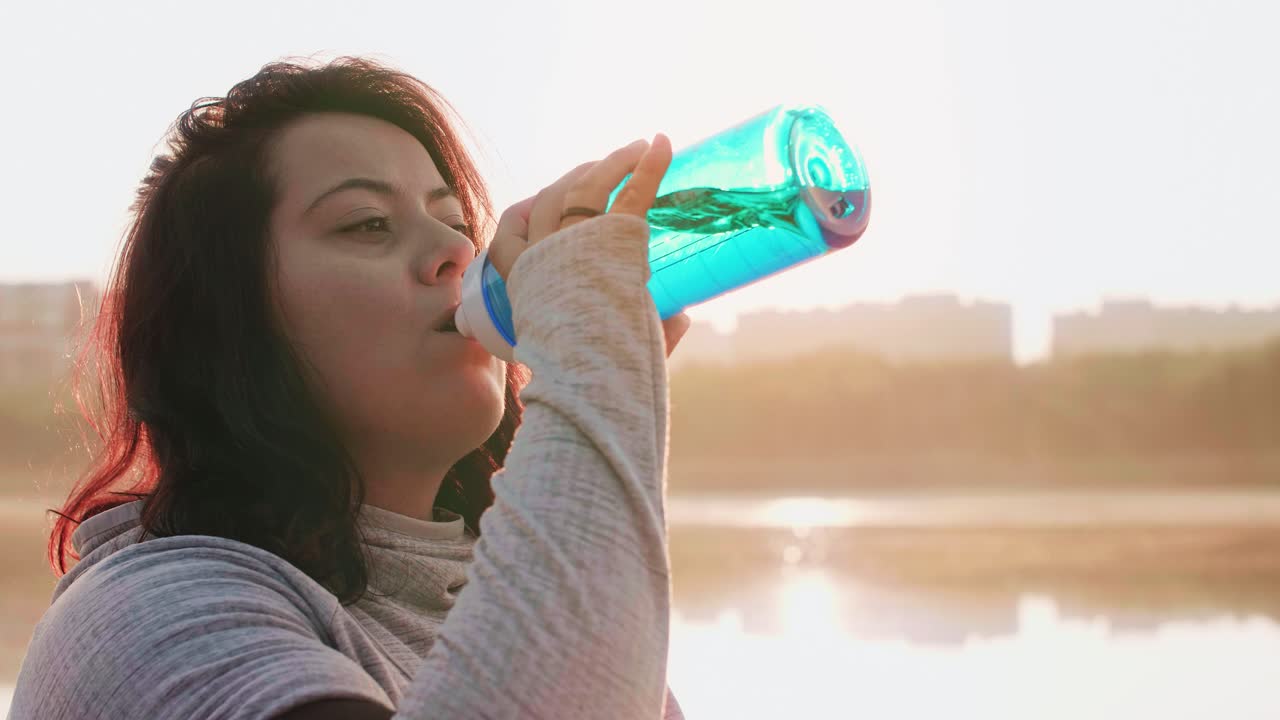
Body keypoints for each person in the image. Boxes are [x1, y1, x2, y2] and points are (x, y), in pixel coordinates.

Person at [7, 55, 692, 720]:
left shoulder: (525, 603)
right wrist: (594, 365)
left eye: (456, 222)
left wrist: (601, 368)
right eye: (367, 223)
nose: (459, 252)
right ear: (229, 321)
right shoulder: (150, 619)